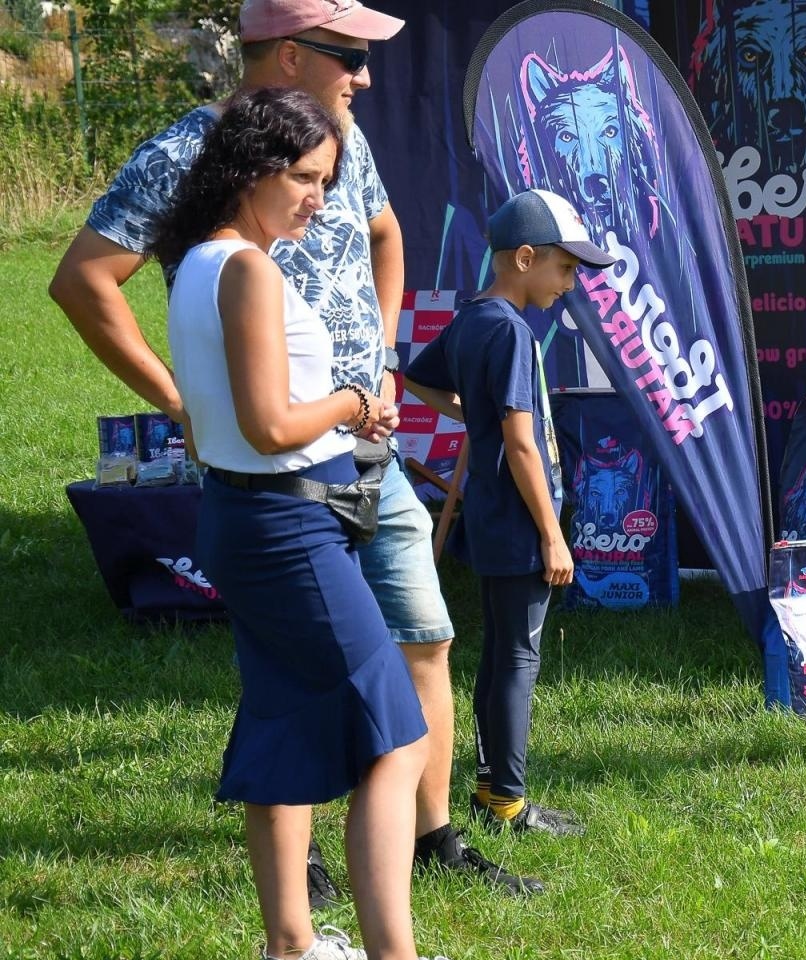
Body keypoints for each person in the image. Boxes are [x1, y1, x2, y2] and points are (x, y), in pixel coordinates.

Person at [48, 0, 540, 898]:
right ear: (285, 54)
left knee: (425, 638)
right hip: (277, 469)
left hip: (368, 449)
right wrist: (179, 398)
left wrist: (382, 359)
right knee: (293, 663)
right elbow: (83, 279)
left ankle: (432, 839)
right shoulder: (184, 153)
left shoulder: (339, 136)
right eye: (348, 55)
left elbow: (386, 234)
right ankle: (304, 865)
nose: (365, 75)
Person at [153, 85, 505, 960]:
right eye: (306, 179)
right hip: (286, 524)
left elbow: (224, 423)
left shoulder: (201, 261)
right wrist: (352, 403)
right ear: (253, 171)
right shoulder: (248, 271)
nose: (319, 198)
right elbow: (270, 425)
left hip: (248, 517)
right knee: (396, 734)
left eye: (327, 180)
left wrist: (337, 417)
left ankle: (292, 944)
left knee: (282, 715)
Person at [404, 190, 615, 833]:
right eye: (565, 268)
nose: (570, 284)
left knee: (500, 652)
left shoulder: (473, 318)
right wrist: (552, 534)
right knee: (519, 656)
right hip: (522, 522)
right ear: (525, 258)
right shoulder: (513, 332)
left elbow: (416, 377)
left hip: (491, 517)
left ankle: (491, 787)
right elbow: (522, 443)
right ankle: (508, 802)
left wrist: (474, 414)